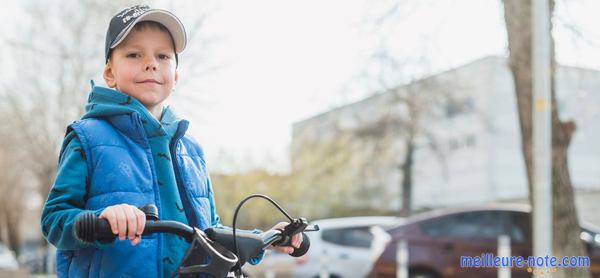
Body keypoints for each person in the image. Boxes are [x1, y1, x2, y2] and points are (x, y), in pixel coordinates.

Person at [40, 5, 300, 277]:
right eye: (134, 54)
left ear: (175, 76)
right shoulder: (88, 137)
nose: (151, 63)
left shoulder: (192, 150)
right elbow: (54, 221)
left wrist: (265, 239)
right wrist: (102, 219)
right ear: (110, 74)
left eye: (163, 56)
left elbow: (208, 230)